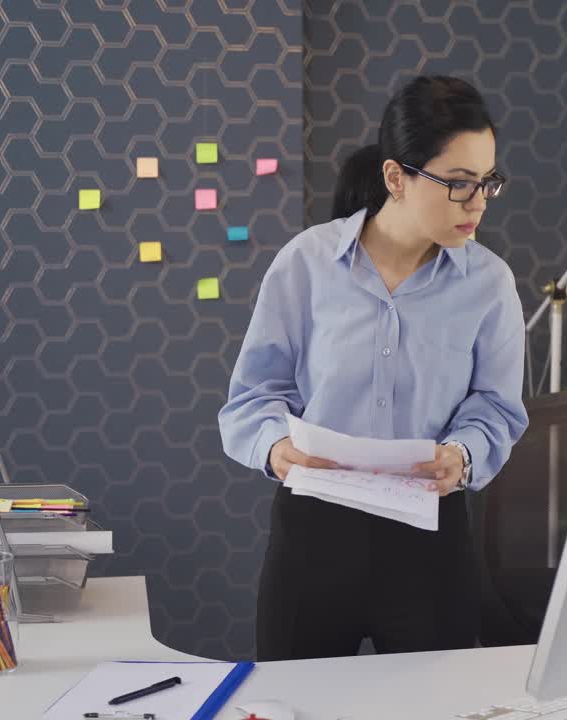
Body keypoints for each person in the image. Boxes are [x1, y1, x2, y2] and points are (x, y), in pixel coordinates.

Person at [219, 75, 529, 661]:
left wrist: (460, 456)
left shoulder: (489, 285)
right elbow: (253, 396)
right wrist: (274, 447)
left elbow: (495, 408)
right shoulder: (305, 264)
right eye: (460, 185)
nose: (479, 203)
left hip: (430, 545)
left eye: (488, 183)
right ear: (397, 178)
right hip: (313, 540)